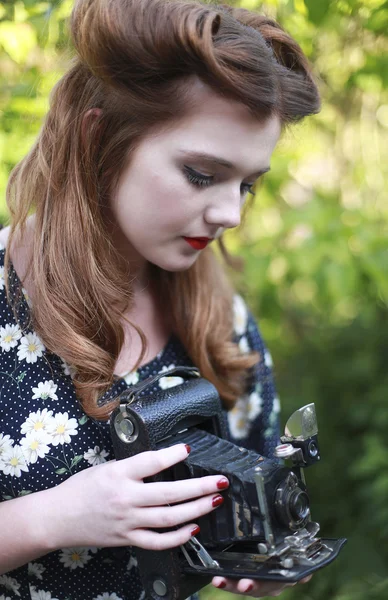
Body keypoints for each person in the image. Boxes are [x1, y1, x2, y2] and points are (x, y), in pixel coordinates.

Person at [0, 0, 320, 598]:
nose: (229, 213)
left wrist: (259, 558)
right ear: (99, 137)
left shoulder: (221, 321)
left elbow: (260, 536)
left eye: (247, 185)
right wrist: (47, 520)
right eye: (202, 174)